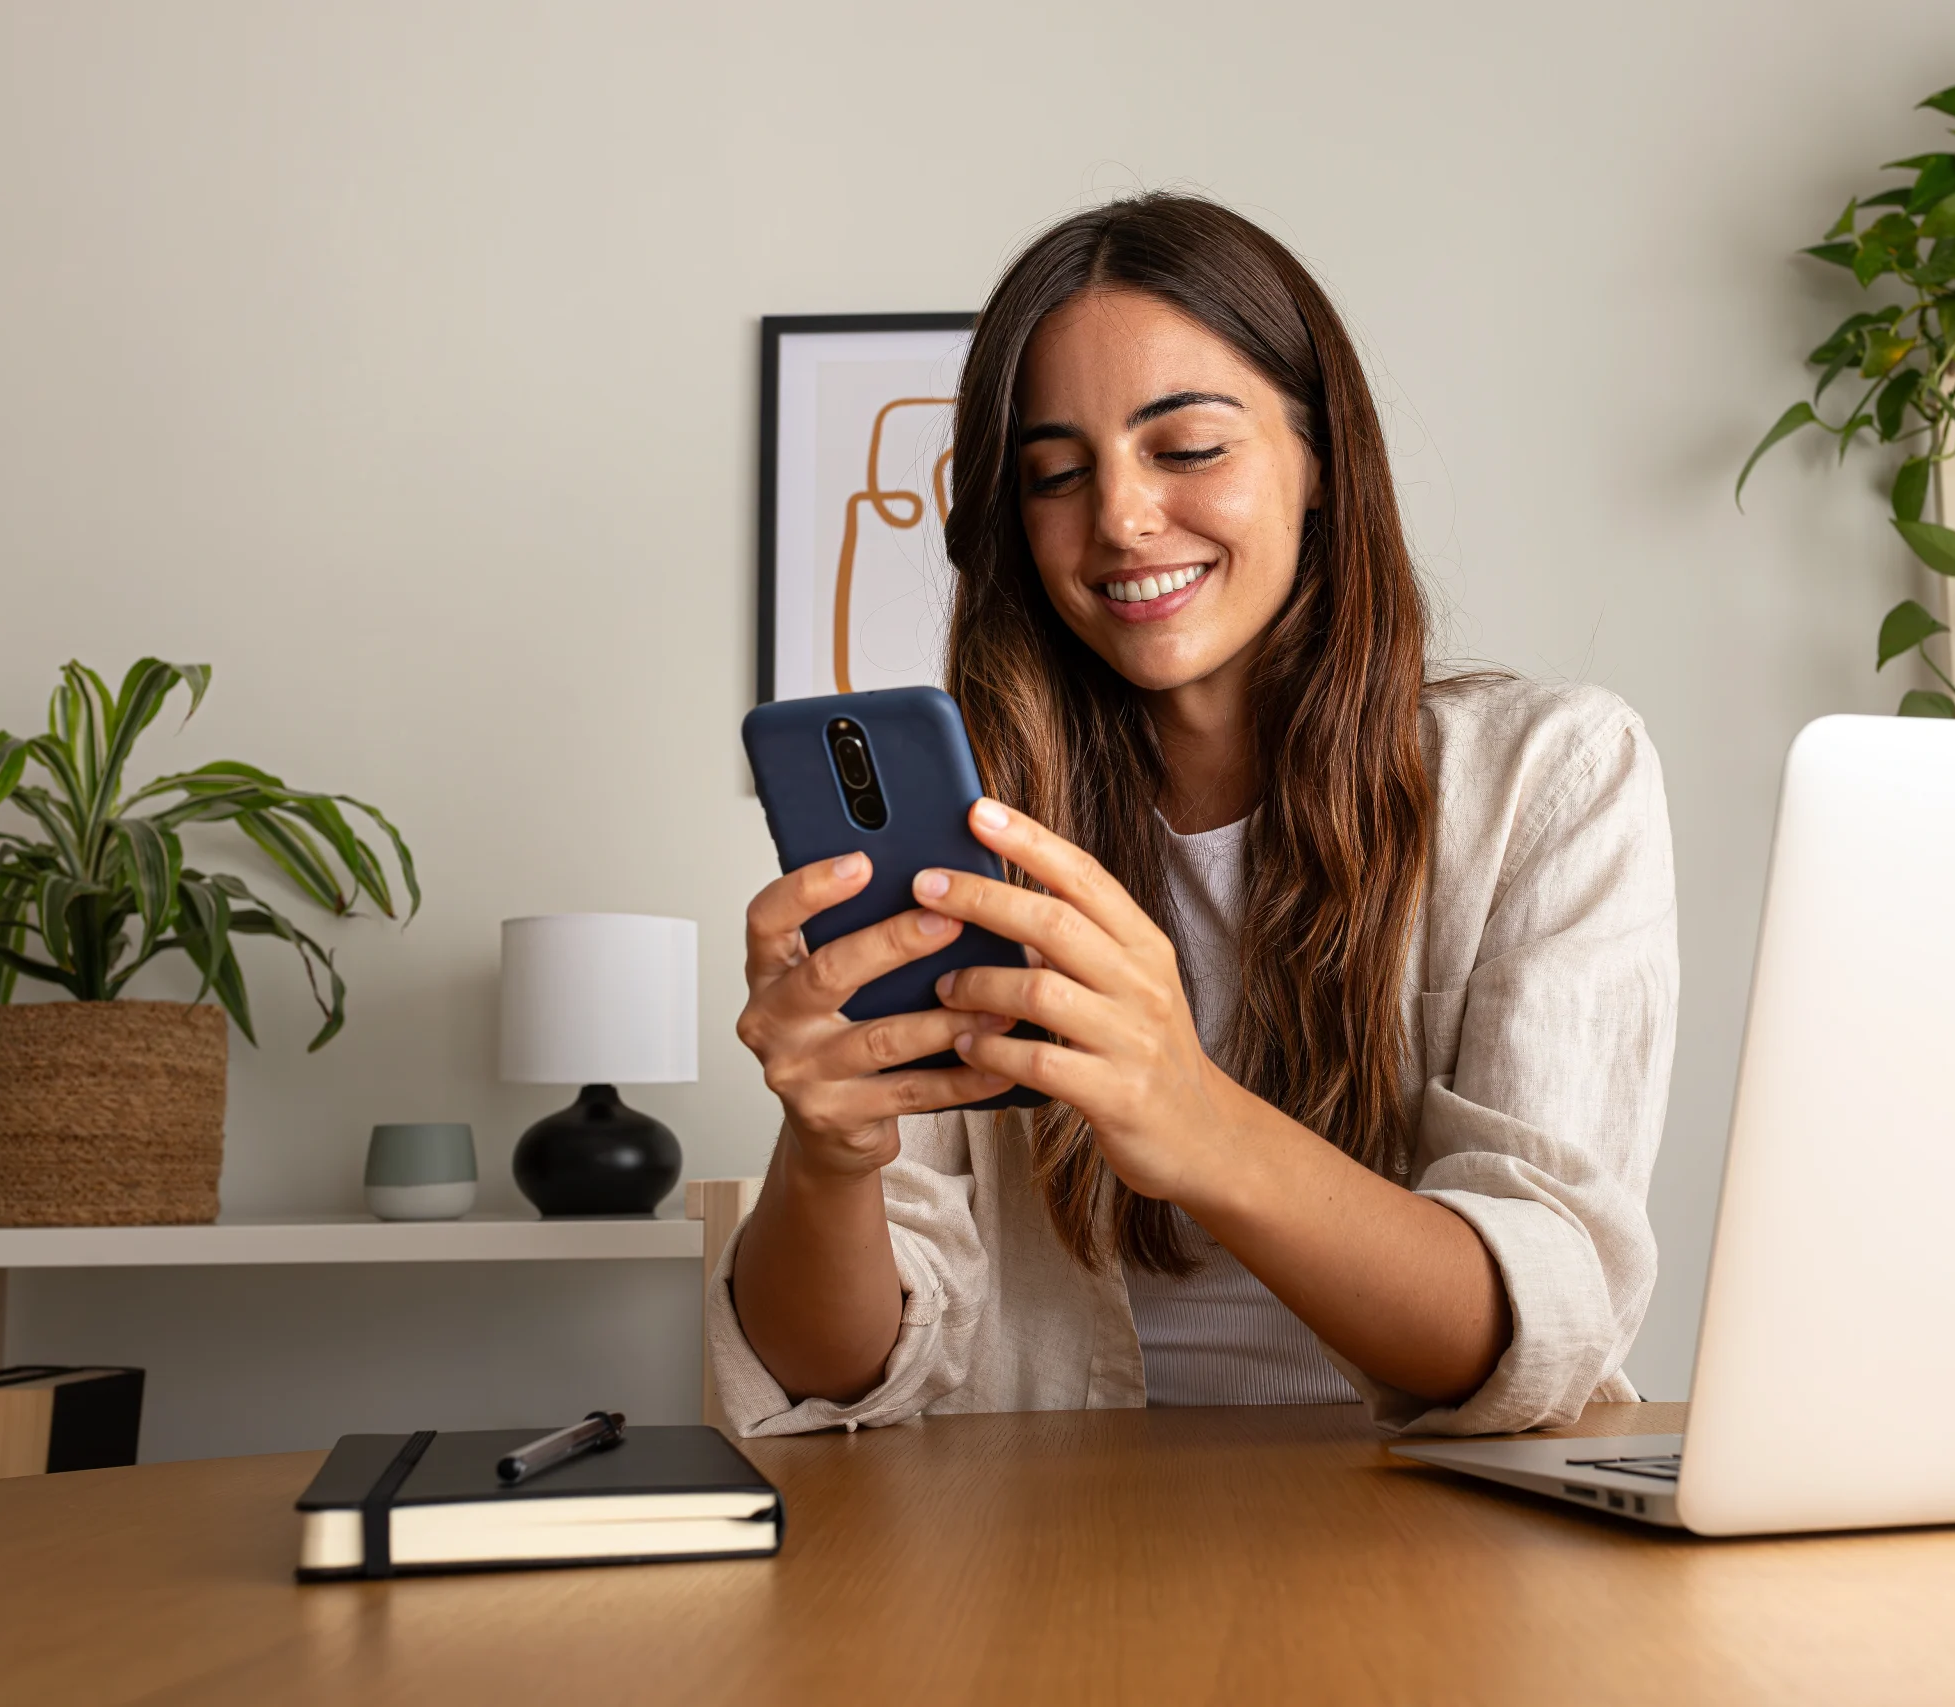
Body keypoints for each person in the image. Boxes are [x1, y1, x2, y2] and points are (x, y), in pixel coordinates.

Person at [714, 193, 1676, 1436]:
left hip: (1423, 1528)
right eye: (1056, 474)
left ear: (1319, 458)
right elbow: (828, 1377)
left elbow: (1537, 1323)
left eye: (1187, 450)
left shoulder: (1548, 776)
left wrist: (1191, 1118)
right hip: (1048, 1536)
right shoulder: (975, 834)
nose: (1118, 518)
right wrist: (830, 1157)